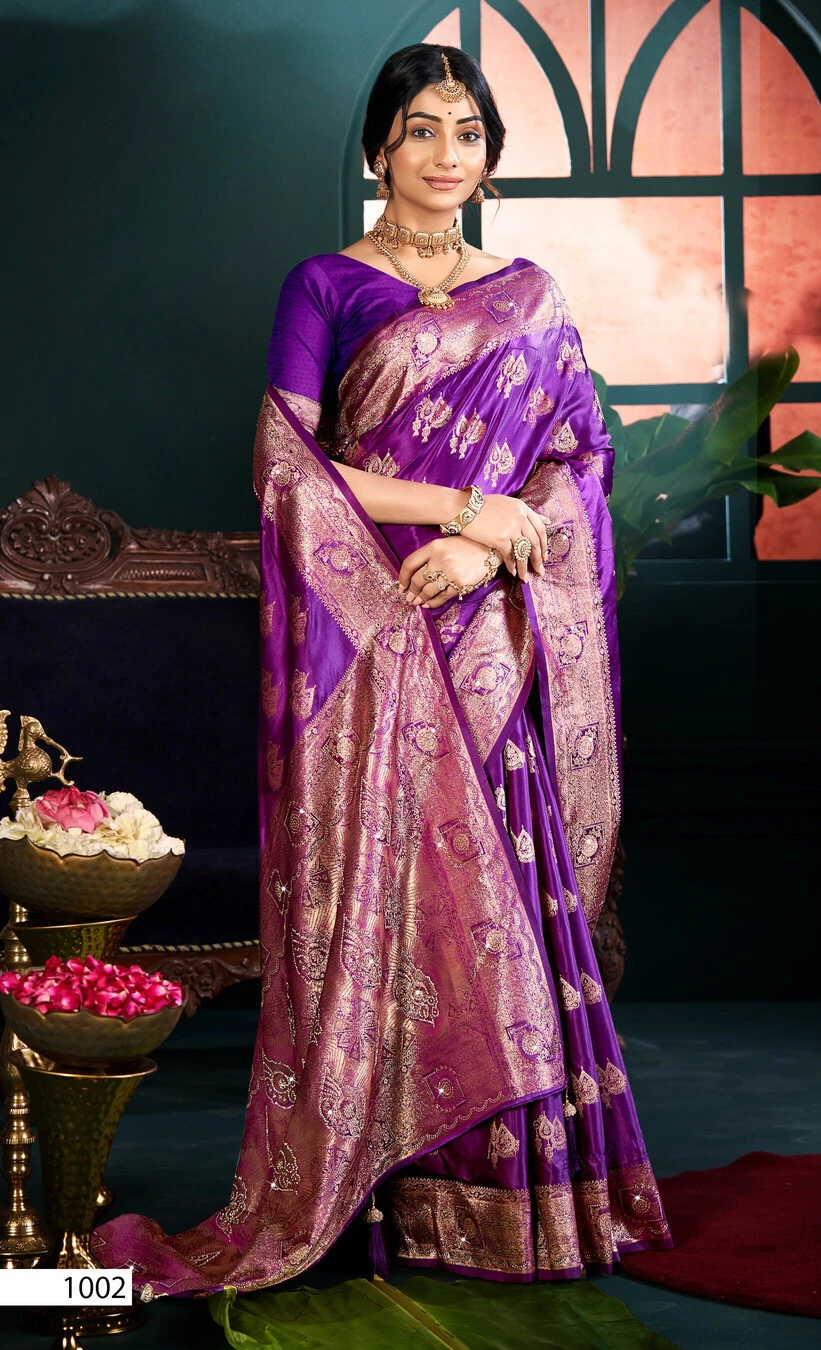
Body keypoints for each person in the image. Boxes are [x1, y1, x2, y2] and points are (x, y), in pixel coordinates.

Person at [94, 42, 671, 1298]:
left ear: (491, 157)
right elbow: (289, 471)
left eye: (467, 132)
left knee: (499, 914)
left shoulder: (531, 297)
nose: (444, 153)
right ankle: (377, 1197)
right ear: (378, 150)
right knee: (393, 909)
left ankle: (512, 1209)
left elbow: (579, 466)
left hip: (489, 642)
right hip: (375, 645)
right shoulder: (327, 285)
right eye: (420, 129)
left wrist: (486, 548)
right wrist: (463, 507)